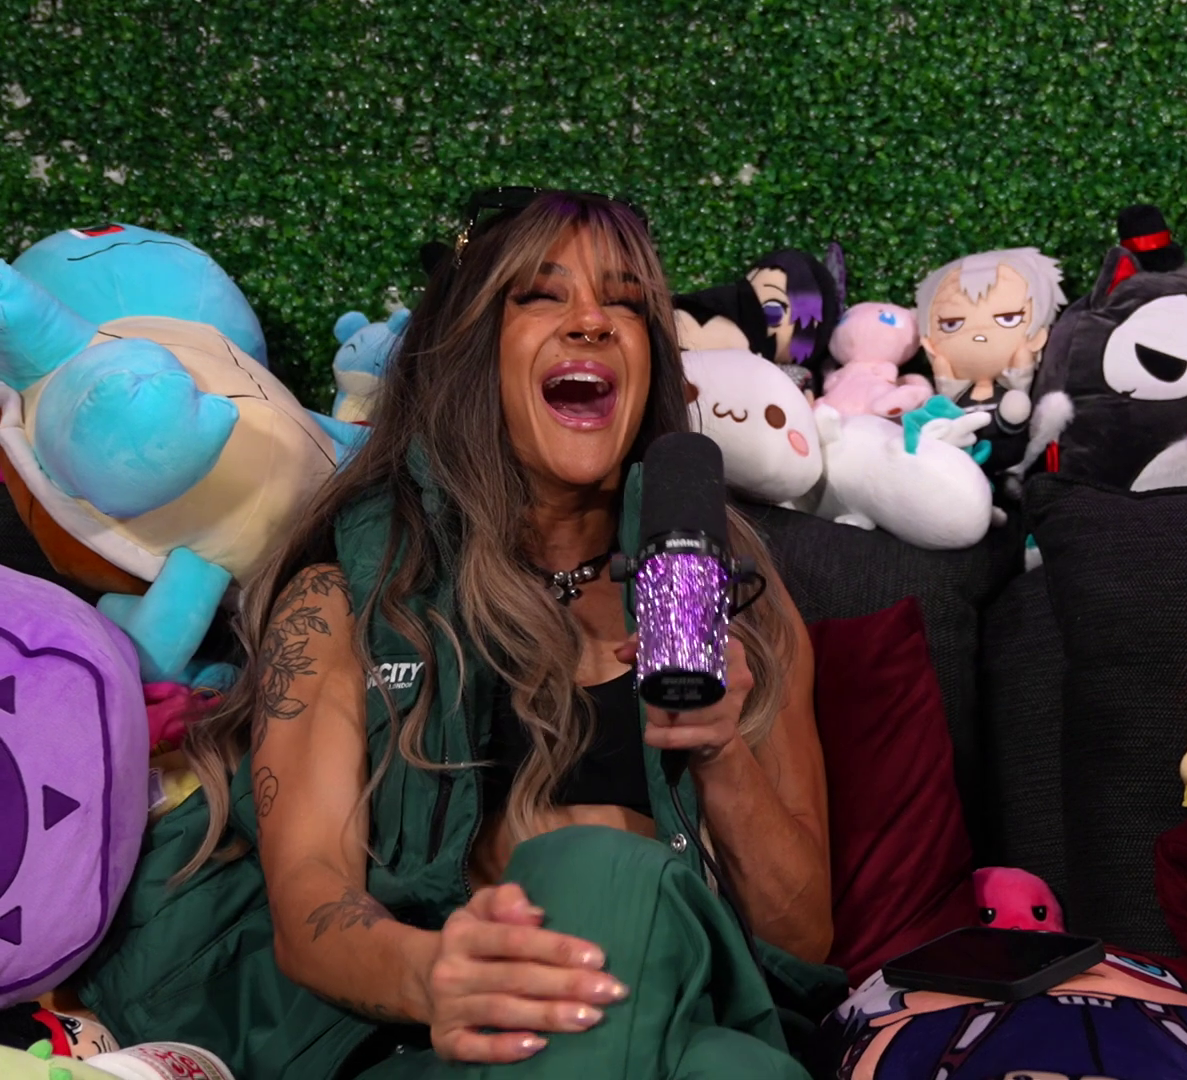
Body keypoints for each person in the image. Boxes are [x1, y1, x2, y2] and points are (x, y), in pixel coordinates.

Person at [75, 190, 841, 1079]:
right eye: (541, 295)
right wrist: (439, 974)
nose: (592, 321)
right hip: (437, 1045)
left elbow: (801, 938)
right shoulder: (345, 602)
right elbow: (312, 906)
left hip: (682, 1009)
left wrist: (719, 752)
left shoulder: (737, 605)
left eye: (627, 303)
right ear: (471, 349)